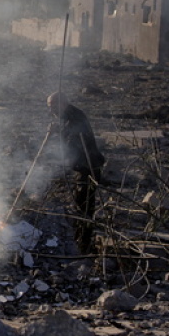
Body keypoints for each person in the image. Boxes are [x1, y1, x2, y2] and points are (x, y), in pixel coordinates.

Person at [47, 92, 106, 252]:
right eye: (49, 107)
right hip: (81, 167)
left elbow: (73, 141)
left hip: (89, 167)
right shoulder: (67, 117)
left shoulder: (74, 117)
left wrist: (58, 133)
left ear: (62, 103)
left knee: (85, 207)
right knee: (80, 205)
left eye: (53, 106)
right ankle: (80, 240)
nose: (51, 111)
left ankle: (84, 244)